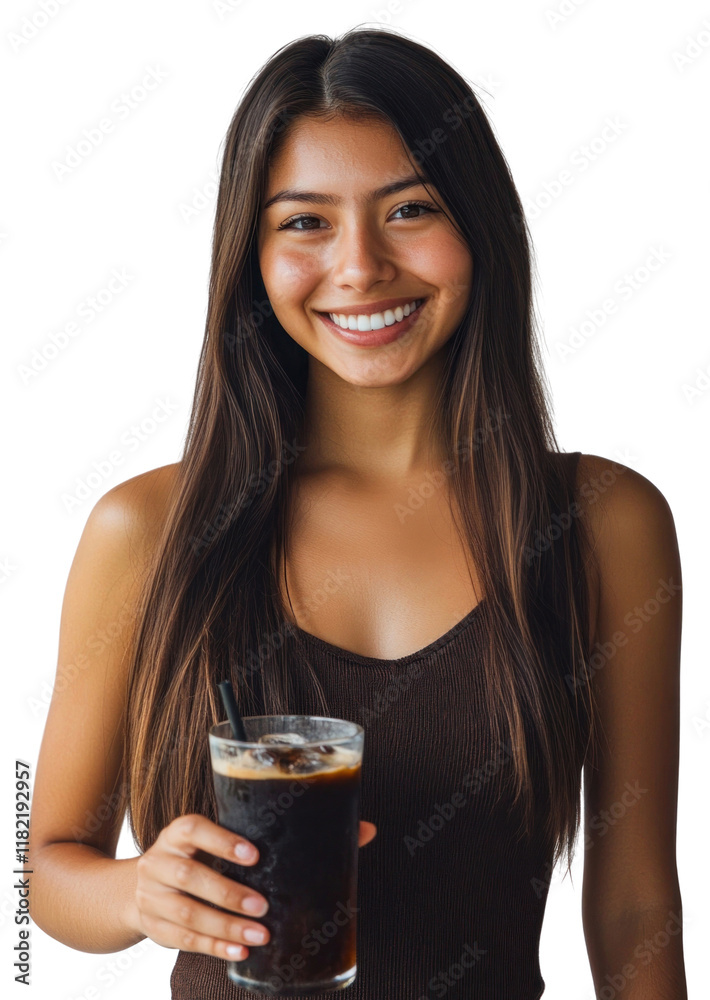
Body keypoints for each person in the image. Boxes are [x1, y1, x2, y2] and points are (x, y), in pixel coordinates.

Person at [28, 26, 688, 1000]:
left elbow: (633, 902)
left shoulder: (600, 523)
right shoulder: (146, 530)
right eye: (305, 222)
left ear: (482, 228)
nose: (360, 266)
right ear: (251, 256)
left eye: (409, 209)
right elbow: (45, 868)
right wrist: (137, 892)